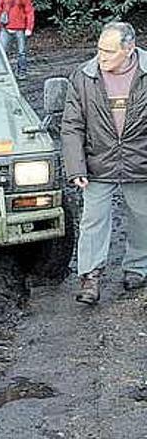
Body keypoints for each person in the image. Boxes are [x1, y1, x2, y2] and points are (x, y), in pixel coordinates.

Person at [61, 21, 147, 305]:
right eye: (99, 50)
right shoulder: (84, 77)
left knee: (142, 219)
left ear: (129, 48)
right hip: (98, 162)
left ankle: (137, 269)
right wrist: (76, 167)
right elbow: (72, 126)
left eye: (109, 52)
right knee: (92, 221)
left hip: (141, 160)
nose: (102, 57)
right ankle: (90, 277)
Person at [0, 0, 35, 79]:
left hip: (20, 29)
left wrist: (29, 28)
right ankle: (2, 72)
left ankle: (21, 72)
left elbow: (29, 12)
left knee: (22, 52)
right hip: (5, 28)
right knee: (1, 52)